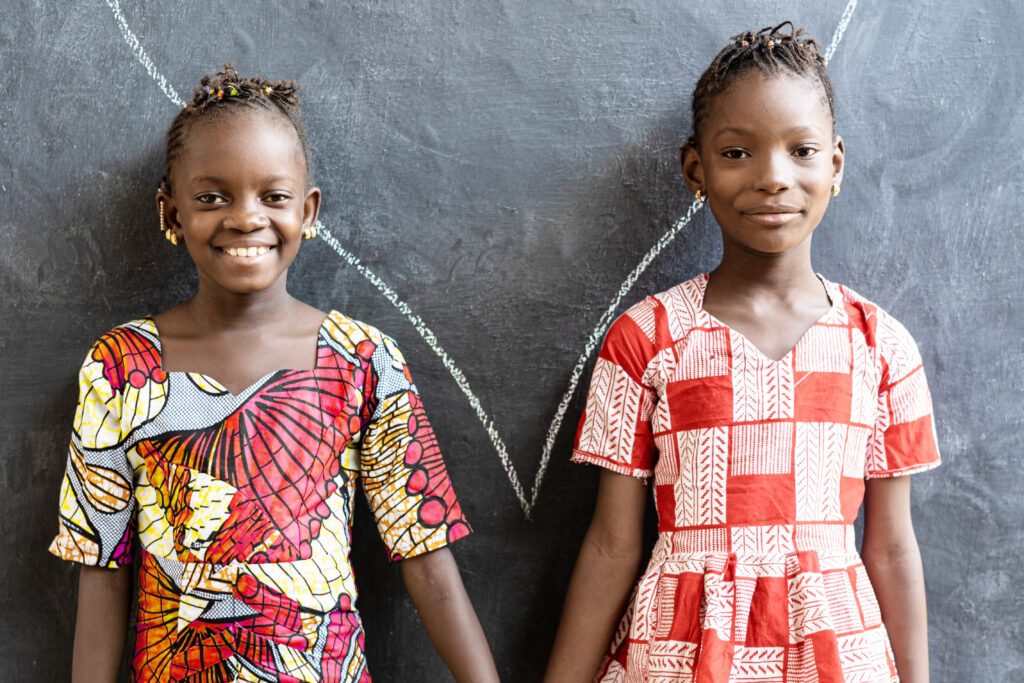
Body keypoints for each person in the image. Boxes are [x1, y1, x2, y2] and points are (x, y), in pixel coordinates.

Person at [49, 65, 500, 683]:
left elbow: (426, 561)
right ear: (171, 211)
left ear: (308, 210)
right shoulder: (121, 367)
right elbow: (102, 570)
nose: (245, 218)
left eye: (273, 196)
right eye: (212, 197)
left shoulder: (363, 360)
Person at [545, 22, 940, 683]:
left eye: (802, 150)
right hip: (681, 656)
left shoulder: (881, 345)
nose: (773, 177)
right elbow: (613, 543)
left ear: (835, 167)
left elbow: (894, 549)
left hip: (837, 656)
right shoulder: (647, 337)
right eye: (737, 153)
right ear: (695, 170)